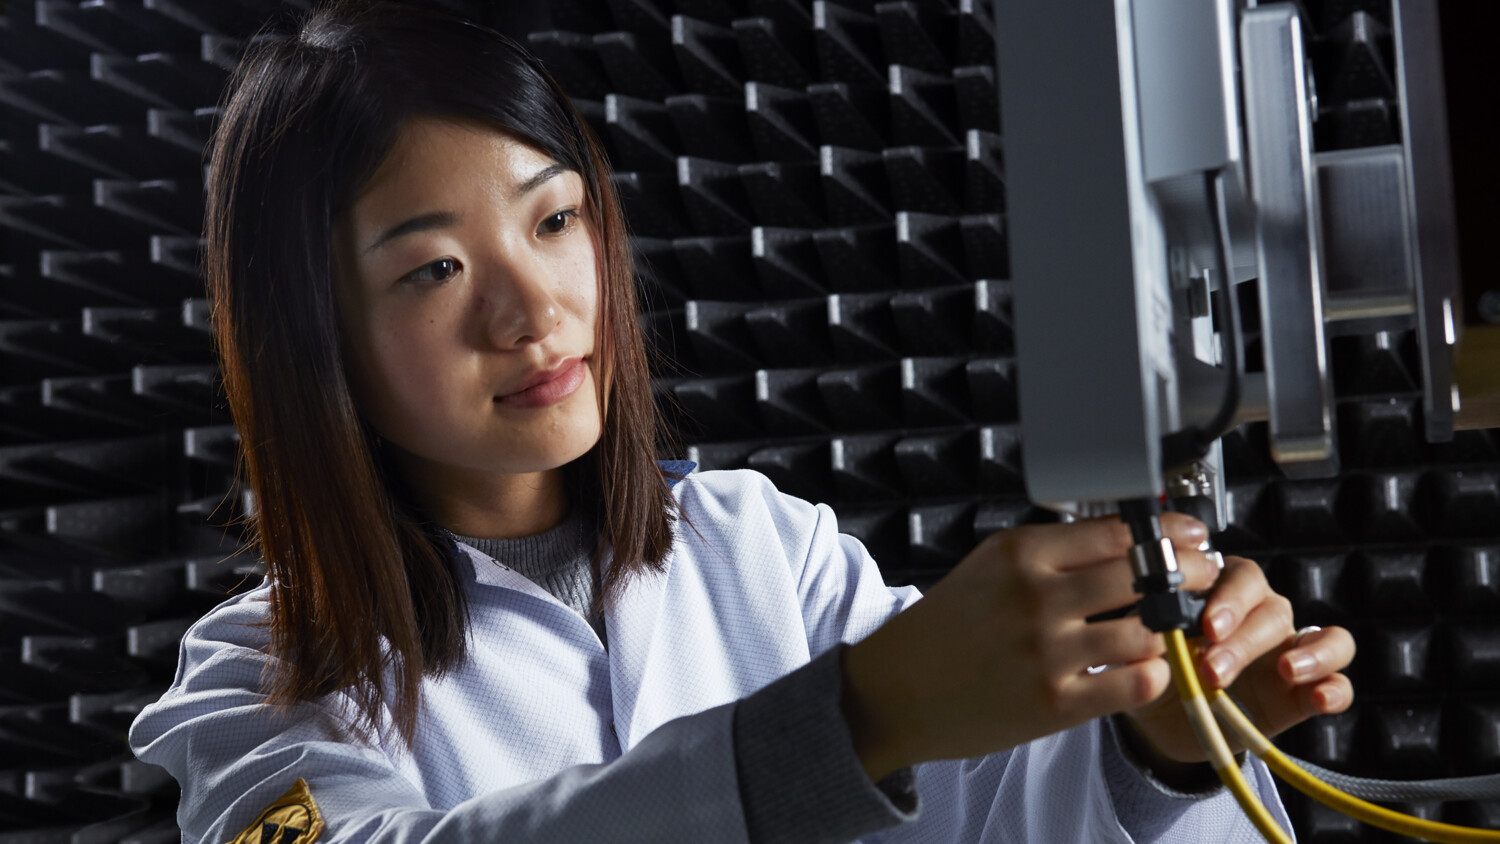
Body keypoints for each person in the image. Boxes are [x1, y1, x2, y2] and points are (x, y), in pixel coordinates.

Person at [128, 2, 1356, 842]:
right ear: (314, 338)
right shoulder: (255, 682)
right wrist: (849, 725)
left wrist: (1162, 752)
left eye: (554, 223)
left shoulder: (767, 550)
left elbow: (995, 819)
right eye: (433, 270)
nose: (531, 313)